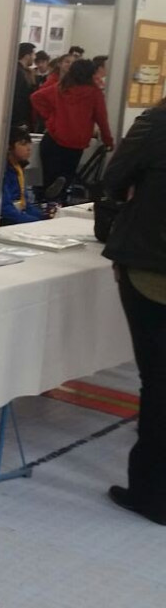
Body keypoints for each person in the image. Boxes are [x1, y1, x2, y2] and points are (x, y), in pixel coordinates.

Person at [102, 99, 166, 525]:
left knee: (158, 382)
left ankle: (152, 494)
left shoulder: (157, 121)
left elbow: (113, 178)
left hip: (153, 263)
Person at [30, 58, 113, 192]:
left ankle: (44, 204)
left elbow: (36, 97)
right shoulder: (94, 93)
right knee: (65, 182)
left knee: (46, 182)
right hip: (75, 144)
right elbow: (102, 119)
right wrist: (108, 140)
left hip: (54, 139)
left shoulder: (61, 88)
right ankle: (59, 202)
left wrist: (50, 117)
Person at [0, 126, 51, 226]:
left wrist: (43, 217)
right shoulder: (3, 172)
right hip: (7, 220)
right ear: (9, 146)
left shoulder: (18, 168)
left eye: (29, 144)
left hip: (19, 214)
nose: (28, 148)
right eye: (23, 144)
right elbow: (5, 208)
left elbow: (25, 204)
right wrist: (35, 222)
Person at [11, 42, 37, 128]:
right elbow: (18, 98)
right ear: (27, 56)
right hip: (19, 119)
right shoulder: (20, 72)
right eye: (33, 55)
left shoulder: (23, 71)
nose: (34, 58)